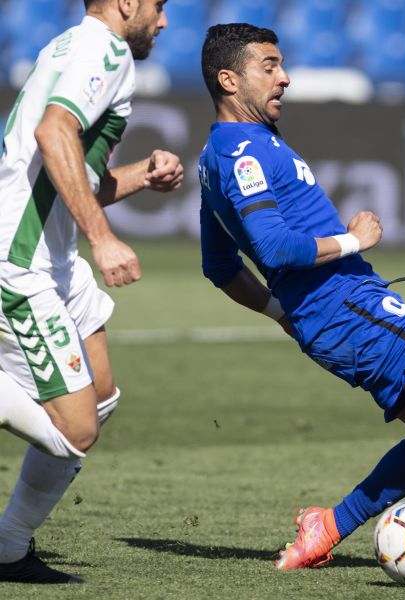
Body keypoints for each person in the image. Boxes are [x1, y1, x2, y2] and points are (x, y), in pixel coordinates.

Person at [197, 23, 405, 582]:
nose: (284, 77)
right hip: (346, 307)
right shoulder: (242, 152)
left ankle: (327, 528)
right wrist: (354, 241)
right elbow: (273, 248)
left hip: (335, 313)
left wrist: (284, 316)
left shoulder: (220, 155)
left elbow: (218, 266)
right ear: (229, 79)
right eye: (269, 66)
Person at [0, 0, 182, 584]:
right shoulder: (104, 49)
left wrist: (138, 180)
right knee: (75, 430)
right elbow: (54, 131)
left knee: (100, 397)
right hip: (20, 259)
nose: (164, 21)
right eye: (158, 6)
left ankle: (6, 549)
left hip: (55, 259)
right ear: (126, 2)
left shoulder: (67, 46)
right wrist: (102, 239)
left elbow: (67, 169)